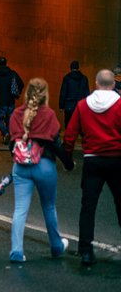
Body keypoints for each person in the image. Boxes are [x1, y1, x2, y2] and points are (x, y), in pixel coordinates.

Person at [8, 77, 70, 263]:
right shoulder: (49, 115)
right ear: (45, 95)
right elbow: (57, 144)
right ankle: (56, 246)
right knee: (49, 207)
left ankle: (16, 251)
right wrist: (68, 163)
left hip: (20, 166)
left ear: (27, 93)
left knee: (20, 210)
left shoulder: (16, 114)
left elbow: (11, 143)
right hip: (44, 165)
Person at [63, 69, 121, 266]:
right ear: (113, 84)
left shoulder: (83, 105)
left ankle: (86, 251)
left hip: (92, 160)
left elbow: (70, 135)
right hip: (116, 160)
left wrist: (68, 160)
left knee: (88, 207)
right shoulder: (120, 105)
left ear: (96, 84)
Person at [0, 57, 24, 144]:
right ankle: (8, 135)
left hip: (0, 102)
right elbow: (21, 83)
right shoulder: (13, 74)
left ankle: (5, 133)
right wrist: (17, 92)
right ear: (6, 63)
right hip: (10, 101)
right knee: (9, 119)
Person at [59, 60, 90, 131]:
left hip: (69, 105)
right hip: (80, 105)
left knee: (68, 123)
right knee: (79, 124)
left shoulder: (67, 78)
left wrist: (61, 106)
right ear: (78, 68)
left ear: (70, 68)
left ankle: (68, 140)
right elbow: (87, 93)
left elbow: (63, 92)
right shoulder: (84, 78)